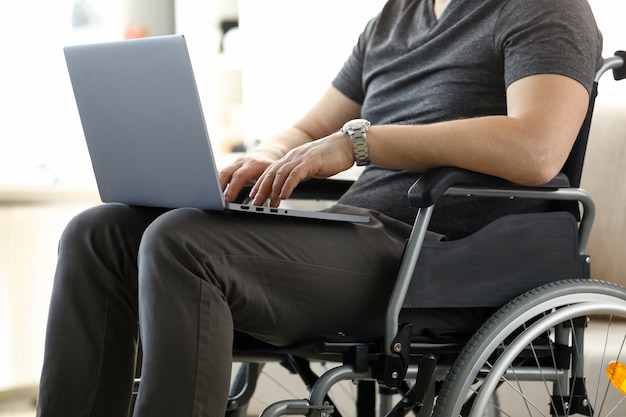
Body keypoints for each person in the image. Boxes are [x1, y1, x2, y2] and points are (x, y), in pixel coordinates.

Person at [36, 0, 603, 416]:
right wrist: (264, 158)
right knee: (99, 232)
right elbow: (311, 126)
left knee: (182, 243)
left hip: (435, 255)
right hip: (355, 236)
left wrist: (360, 143)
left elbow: (536, 148)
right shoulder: (393, 19)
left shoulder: (545, 9)